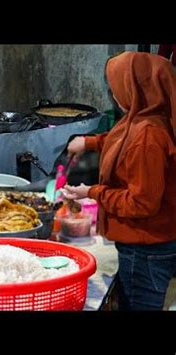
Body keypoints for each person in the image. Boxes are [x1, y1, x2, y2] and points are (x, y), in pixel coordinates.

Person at [62, 51, 176, 311]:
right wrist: (89, 142)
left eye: (116, 86)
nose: (114, 94)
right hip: (153, 240)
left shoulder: (148, 137)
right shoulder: (153, 115)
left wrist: (93, 192)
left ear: (136, 87)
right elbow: (121, 137)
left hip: (146, 249)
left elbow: (141, 204)